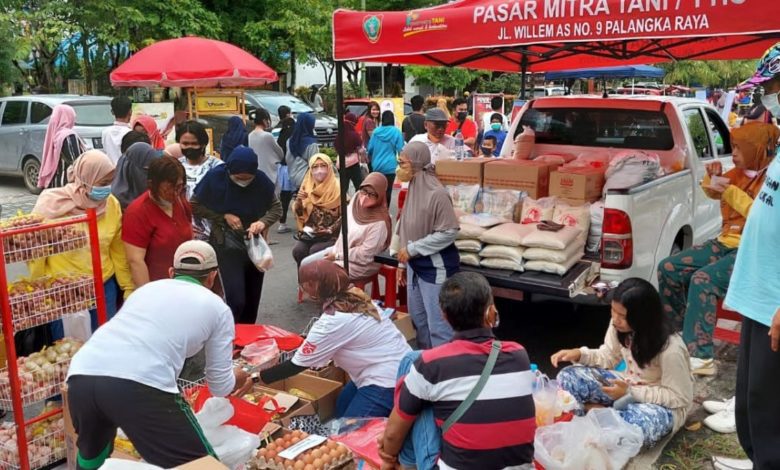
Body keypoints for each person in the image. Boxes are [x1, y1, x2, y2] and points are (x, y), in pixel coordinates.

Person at [66, 240, 253, 469]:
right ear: (212, 276)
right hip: (140, 384)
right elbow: (220, 386)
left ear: (172, 272)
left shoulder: (146, 290)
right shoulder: (218, 308)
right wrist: (241, 375)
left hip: (81, 374)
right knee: (203, 465)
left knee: (93, 456)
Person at [657, 122, 779, 377]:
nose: (732, 153)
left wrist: (730, 191)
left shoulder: (772, 178)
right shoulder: (738, 172)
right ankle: (677, 336)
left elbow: (758, 213)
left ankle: (700, 356)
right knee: (669, 268)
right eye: (732, 146)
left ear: (756, 149)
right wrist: (710, 178)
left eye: (738, 147)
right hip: (725, 242)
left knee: (703, 280)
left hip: (748, 249)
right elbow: (713, 193)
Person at [379, 272, 535, 470]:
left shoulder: (431, 364)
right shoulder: (519, 354)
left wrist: (387, 456)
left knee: (417, 380)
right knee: (423, 381)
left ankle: (404, 464)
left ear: (444, 316)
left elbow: (393, 434)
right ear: (490, 311)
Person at [721, 46, 780, 469]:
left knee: (771, 425)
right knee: (752, 413)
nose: (770, 99)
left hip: (776, 308)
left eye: (775, 89)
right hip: (761, 302)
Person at [256, 260, 410, 418]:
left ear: (313, 286)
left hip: (386, 380)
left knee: (350, 432)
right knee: (341, 406)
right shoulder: (356, 296)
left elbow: (297, 365)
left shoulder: (333, 320)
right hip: (401, 366)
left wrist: (260, 377)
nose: (303, 290)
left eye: (304, 285)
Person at [551, 278, 693, 448]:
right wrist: (580, 354)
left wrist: (630, 393)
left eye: (623, 316)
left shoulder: (671, 348)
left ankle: (597, 413)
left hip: (659, 405)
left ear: (643, 317)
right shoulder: (620, 326)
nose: (616, 319)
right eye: (613, 311)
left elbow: (679, 397)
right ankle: (605, 417)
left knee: (637, 427)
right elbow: (608, 357)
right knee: (568, 376)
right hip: (625, 386)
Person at [32, 151, 135, 335]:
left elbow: (117, 249)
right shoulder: (52, 204)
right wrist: (39, 290)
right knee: (68, 348)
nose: (107, 188)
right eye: (102, 183)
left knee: (103, 340)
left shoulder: (111, 204)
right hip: (65, 290)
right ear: (85, 179)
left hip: (103, 285)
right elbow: (37, 252)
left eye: (110, 182)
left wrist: (127, 286)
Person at [191, 146, 281, 324]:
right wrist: (223, 216)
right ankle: (229, 334)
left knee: (252, 299)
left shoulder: (261, 181)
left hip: (254, 244)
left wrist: (262, 222)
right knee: (236, 299)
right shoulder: (215, 178)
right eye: (239, 179)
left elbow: (276, 208)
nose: (244, 182)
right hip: (225, 243)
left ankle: (246, 339)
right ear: (230, 171)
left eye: (248, 179)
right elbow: (195, 204)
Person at [396, 142, 459, 348]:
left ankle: (445, 371)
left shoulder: (437, 194)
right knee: (419, 321)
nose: (399, 168)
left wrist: (413, 249)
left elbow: (449, 231)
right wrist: (402, 264)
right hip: (415, 266)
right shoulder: (414, 186)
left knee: (438, 325)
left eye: (403, 163)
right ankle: (428, 365)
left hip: (436, 268)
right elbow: (406, 224)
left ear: (415, 163)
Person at [302, 173, 391, 281]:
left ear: (380, 195)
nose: (365, 197)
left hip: (360, 265)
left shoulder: (379, 222)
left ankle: (327, 297)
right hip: (339, 251)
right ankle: (313, 295)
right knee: (305, 264)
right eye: (364, 191)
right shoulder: (357, 199)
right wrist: (330, 231)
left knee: (319, 274)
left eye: (372, 194)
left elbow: (366, 255)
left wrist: (338, 256)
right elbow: (344, 219)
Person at [123, 157, 193, 286]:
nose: (175, 193)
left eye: (179, 187)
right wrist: (148, 295)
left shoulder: (180, 201)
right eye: (168, 189)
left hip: (186, 281)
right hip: (158, 285)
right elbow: (135, 261)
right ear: (153, 184)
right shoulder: (137, 212)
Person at [176, 120, 223, 241]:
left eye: (194, 143)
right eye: (185, 143)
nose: (189, 147)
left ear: (203, 144)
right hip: (182, 233)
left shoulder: (217, 167)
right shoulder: (175, 166)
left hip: (214, 233)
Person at [292, 154, 341, 266]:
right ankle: (304, 281)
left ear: (329, 168)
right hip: (311, 234)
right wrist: (299, 201)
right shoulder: (307, 187)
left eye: (323, 166)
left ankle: (319, 282)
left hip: (331, 235)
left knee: (315, 251)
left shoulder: (338, 189)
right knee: (298, 251)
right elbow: (301, 215)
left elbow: (346, 215)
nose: (319, 171)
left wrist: (330, 229)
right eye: (315, 167)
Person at [38, 104, 87, 189]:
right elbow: (76, 161)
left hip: (54, 182)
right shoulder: (68, 136)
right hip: (67, 183)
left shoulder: (55, 134)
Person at [367, 111, 404, 205]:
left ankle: (377, 211)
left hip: (376, 166)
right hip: (390, 166)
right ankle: (385, 212)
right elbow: (400, 150)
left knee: (377, 190)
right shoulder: (396, 132)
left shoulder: (376, 132)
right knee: (388, 191)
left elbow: (370, 149)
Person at [112, 142, 159, 210]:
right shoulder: (112, 204)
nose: (151, 177)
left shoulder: (155, 196)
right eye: (146, 170)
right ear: (129, 168)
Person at [248, 108, 284, 185]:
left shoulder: (250, 135)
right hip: (268, 174)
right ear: (264, 120)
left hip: (254, 174)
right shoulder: (267, 136)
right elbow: (280, 153)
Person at [275, 106, 296, 234]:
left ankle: (282, 222)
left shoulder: (276, 130)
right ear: (288, 114)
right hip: (293, 167)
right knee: (300, 194)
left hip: (281, 167)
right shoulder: (295, 134)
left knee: (284, 196)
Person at [286, 112, 320, 190]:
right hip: (306, 180)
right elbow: (315, 165)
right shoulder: (311, 144)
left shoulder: (290, 141)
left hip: (292, 177)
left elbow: (288, 159)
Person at [335, 112, 365, 193]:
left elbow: (336, 147)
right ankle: (357, 203)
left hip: (341, 163)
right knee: (358, 186)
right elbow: (360, 150)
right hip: (353, 164)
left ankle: (343, 203)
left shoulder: (339, 135)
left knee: (343, 188)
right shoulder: (354, 135)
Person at [101, 96, 132, 164]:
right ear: (130, 112)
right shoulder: (131, 134)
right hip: (125, 172)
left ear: (112, 112)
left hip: (110, 171)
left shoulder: (105, 132)